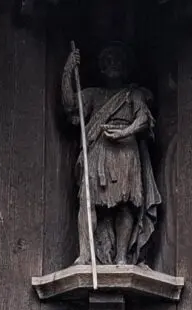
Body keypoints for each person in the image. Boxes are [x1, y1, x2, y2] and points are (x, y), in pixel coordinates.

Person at [62, 43, 161, 266]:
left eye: (118, 61)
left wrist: (125, 132)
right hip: (99, 150)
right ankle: (86, 254)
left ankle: (122, 257)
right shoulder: (93, 95)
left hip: (126, 149)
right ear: (102, 68)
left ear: (126, 68)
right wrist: (68, 70)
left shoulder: (133, 94)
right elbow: (70, 105)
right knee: (87, 202)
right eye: (108, 62)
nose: (113, 65)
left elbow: (144, 120)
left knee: (126, 204)